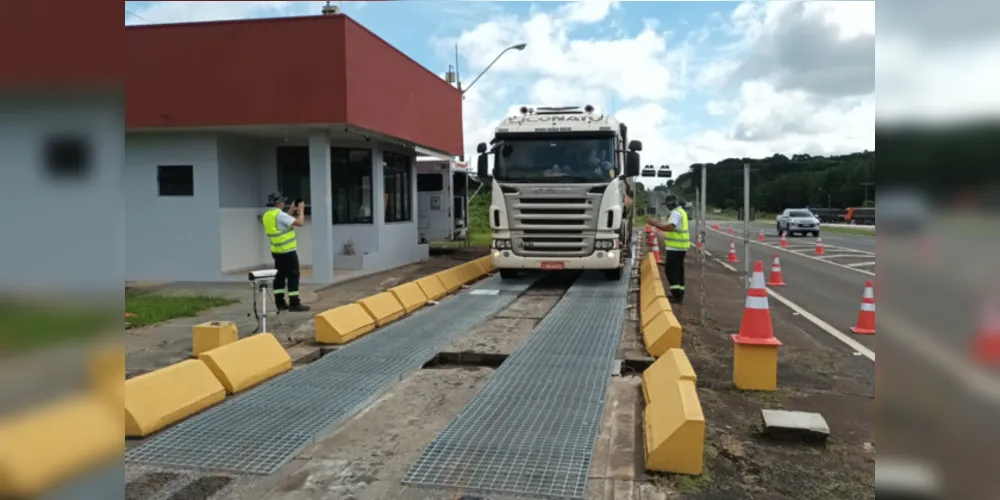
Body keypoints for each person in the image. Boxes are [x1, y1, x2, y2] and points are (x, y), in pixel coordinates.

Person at [262, 192, 310, 312]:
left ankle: (280, 303)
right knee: (293, 276)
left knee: (280, 277)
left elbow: (282, 223)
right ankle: (294, 303)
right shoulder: (279, 215)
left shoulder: (268, 215)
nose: (284, 203)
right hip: (288, 251)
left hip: (277, 251)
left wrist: (291, 210)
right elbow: (300, 222)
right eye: (282, 202)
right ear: (278, 203)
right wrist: (301, 210)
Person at [648, 194, 690, 303]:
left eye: (667, 205)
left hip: (675, 248)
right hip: (681, 247)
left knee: (670, 271)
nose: (667, 207)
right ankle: (680, 294)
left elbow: (670, 228)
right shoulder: (682, 212)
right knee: (679, 271)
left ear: (672, 204)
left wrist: (655, 224)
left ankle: (676, 295)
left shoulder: (676, 213)